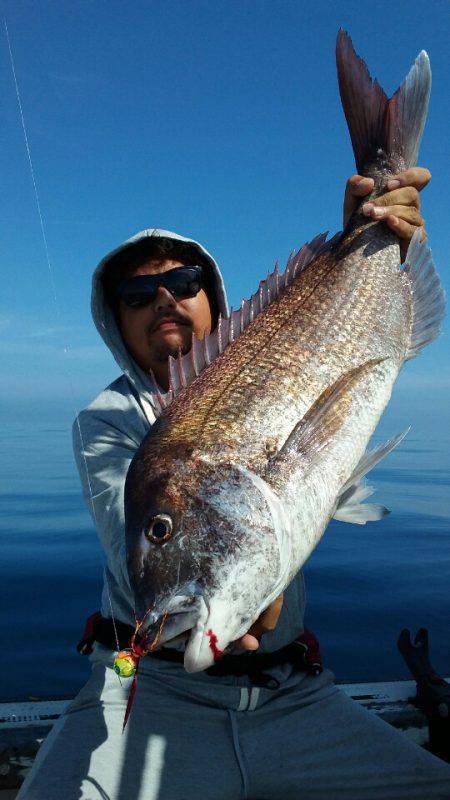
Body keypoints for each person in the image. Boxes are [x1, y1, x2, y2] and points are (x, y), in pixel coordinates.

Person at [17, 170, 450, 800]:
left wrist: (382, 236)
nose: (163, 298)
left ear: (213, 299)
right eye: (137, 293)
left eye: (183, 282)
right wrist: (237, 590)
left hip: (294, 693)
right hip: (151, 694)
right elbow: (126, 537)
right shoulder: (105, 421)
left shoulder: (269, 354)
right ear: (115, 320)